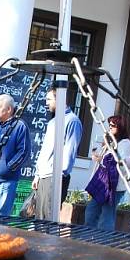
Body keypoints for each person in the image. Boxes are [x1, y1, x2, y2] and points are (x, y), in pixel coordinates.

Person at [32, 84, 83, 219]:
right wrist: (38, 175)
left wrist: (60, 174)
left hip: (55, 176)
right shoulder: (53, 122)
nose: (46, 102)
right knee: (39, 218)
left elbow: (70, 150)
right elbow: (45, 149)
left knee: (49, 218)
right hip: (44, 175)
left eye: (49, 99)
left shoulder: (72, 121)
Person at [84, 115, 130, 230]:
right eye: (109, 125)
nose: (110, 127)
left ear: (120, 127)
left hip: (114, 186)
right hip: (103, 183)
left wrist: (101, 160)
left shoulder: (125, 144)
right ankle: (89, 237)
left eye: (113, 125)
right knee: (91, 211)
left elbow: (122, 164)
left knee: (106, 217)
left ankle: (102, 243)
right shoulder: (112, 142)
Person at [0, 94, 31, 216]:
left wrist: (9, 168)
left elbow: (24, 151)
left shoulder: (20, 126)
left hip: (7, 180)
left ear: (9, 109)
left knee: (2, 215)